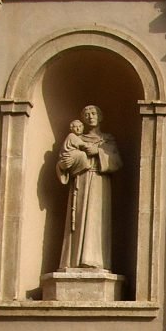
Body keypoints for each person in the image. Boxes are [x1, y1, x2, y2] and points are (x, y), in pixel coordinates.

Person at [56, 104, 121, 271]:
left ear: (100, 116)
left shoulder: (107, 139)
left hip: (99, 181)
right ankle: (73, 261)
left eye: (93, 113)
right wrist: (68, 163)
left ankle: (95, 260)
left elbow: (117, 162)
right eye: (87, 114)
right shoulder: (76, 139)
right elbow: (64, 160)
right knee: (76, 220)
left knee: (95, 219)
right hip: (80, 180)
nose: (90, 116)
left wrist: (98, 153)